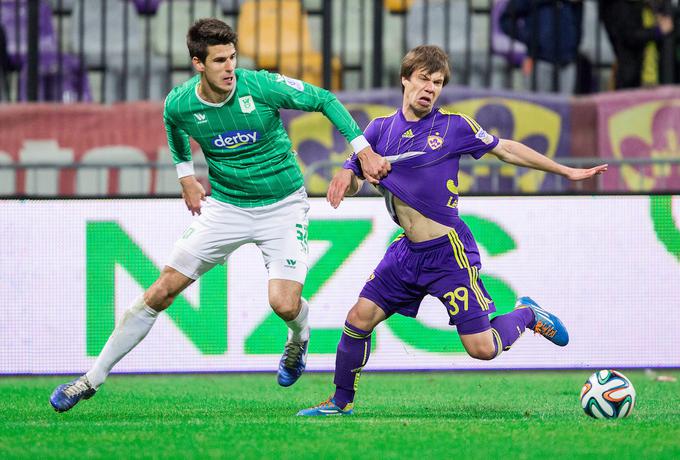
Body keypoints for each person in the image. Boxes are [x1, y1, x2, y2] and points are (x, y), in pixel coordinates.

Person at [49, 18, 387, 413]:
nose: (230, 68)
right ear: (198, 63)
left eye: (233, 58)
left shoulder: (259, 85)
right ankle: (89, 380)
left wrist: (362, 149)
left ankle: (299, 337)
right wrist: (186, 176)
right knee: (161, 291)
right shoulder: (180, 102)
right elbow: (173, 126)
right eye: (219, 61)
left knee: (284, 304)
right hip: (225, 208)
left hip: (283, 206)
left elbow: (325, 99)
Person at [297, 45, 608, 416]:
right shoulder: (379, 130)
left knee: (482, 349)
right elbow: (355, 180)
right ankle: (339, 402)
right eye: (424, 79)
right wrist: (346, 175)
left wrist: (568, 172)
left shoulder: (453, 126)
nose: (430, 88)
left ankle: (526, 314)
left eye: (438, 82)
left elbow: (505, 150)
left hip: (448, 253)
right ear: (405, 79)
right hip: (406, 253)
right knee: (358, 318)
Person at [499, 0, 584, 94]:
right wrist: (530, 38)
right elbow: (506, 20)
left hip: (568, 62)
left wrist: (574, 44)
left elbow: (577, 21)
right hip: (539, 60)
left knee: (564, 106)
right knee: (537, 105)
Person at [599, 0, 674, 89]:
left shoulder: (644, 7)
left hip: (649, 74)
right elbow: (629, 35)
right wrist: (657, 31)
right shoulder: (619, 6)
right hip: (634, 77)